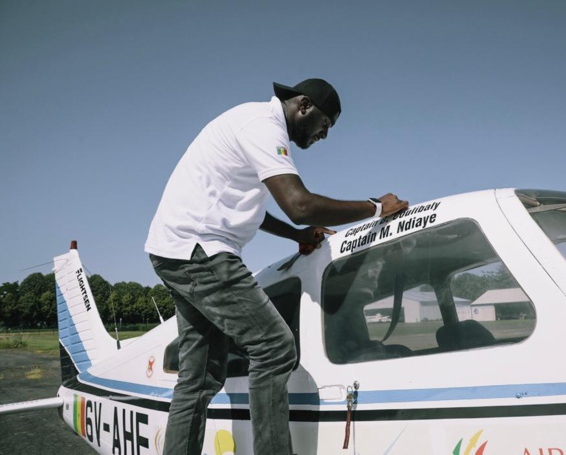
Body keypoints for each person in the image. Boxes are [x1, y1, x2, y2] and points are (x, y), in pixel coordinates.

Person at [144, 78, 408, 455]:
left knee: (200, 376)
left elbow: (250, 208)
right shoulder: (263, 126)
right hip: (201, 251)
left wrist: (295, 235)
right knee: (274, 347)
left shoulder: (251, 124)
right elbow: (299, 203)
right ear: (304, 106)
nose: (324, 136)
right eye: (325, 125)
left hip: (177, 249)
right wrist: (376, 207)